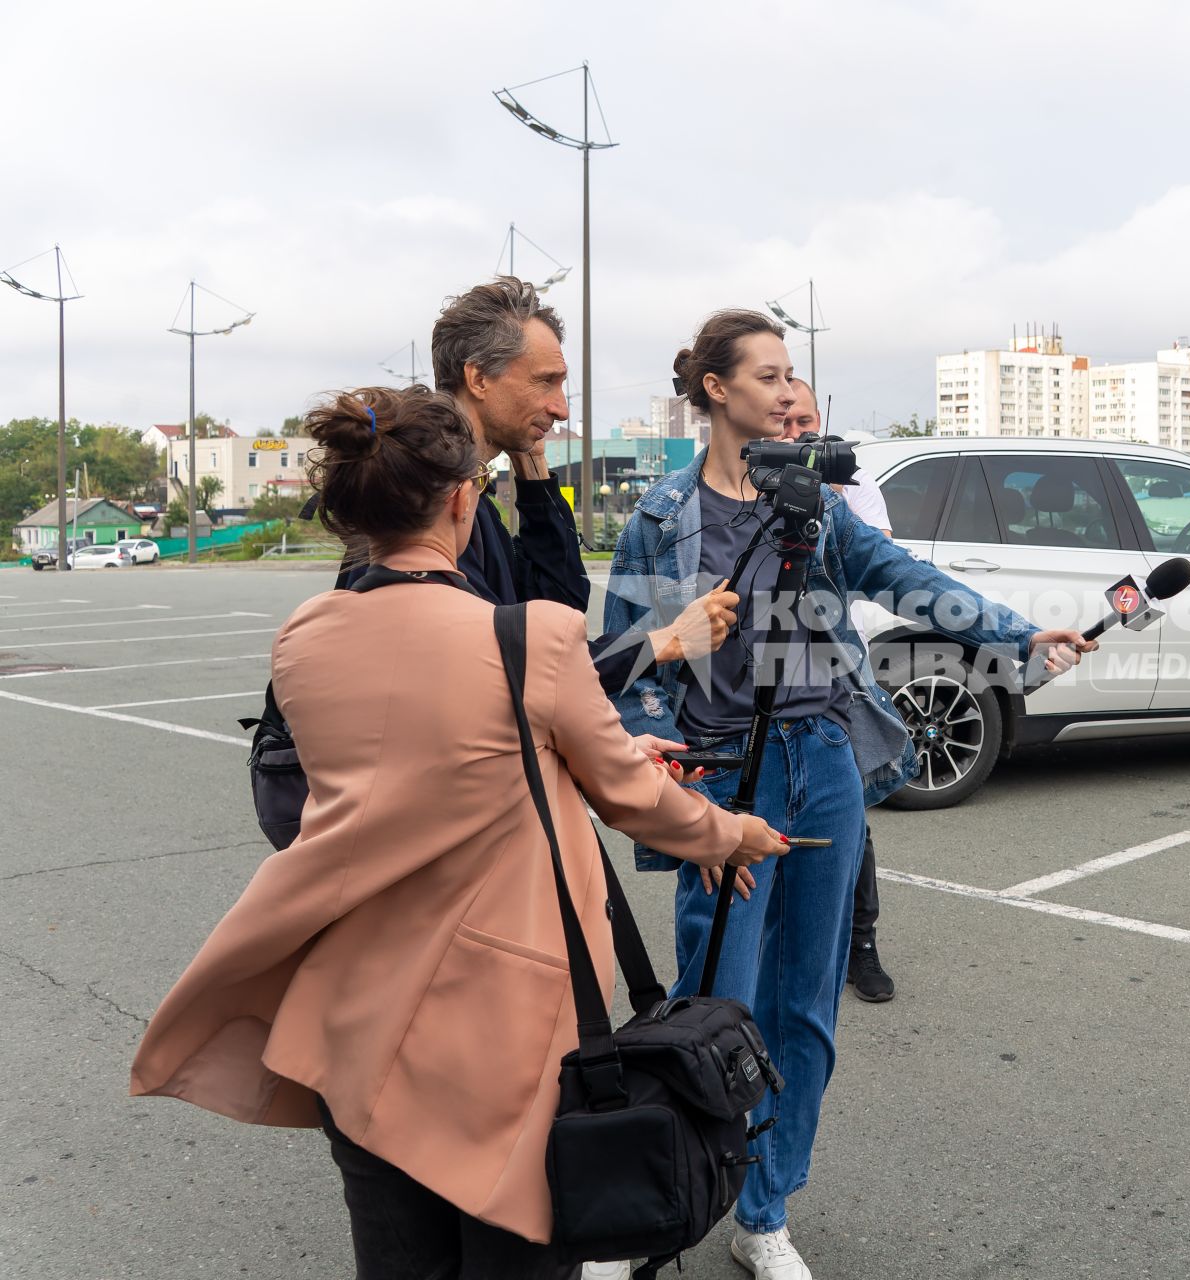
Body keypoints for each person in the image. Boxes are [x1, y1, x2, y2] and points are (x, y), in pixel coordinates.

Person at [131, 384, 786, 1279]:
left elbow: (424, 763)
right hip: (498, 1039)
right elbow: (636, 797)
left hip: (350, 1019)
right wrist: (731, 836)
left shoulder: (307, 637)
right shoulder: (531, 639)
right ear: (461, 500)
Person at [605, 310, 1093, 1280]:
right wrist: (664, 776)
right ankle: (652, 1207)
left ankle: (764, 1208)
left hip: (821, 762)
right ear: (716, 390)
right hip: (720, 770)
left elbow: (906, 577)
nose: (791, 393)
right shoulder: (664, 516)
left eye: (795, 377)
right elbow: (629, 663)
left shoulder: (819, 508)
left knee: (806, 1007)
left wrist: (1011, 633)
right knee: (713, 1001)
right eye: (771, 375)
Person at [342, 277, 737, 690]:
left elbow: (558, 611)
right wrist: (665, 641)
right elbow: (518, 664)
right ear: (478, 379)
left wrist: (532, 464)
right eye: (545, 381)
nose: (561, 409)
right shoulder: (424, 504)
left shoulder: (472, 499)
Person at [784, 377, 895, 1003]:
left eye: (807, 423)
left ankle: (862, 944)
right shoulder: (746, 483)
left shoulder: (851, 484)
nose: (798, 435)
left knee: (850, 813)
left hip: (835, 668)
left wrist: (829, 500)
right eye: (788, 424)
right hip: (760, 677)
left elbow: (878, 564)